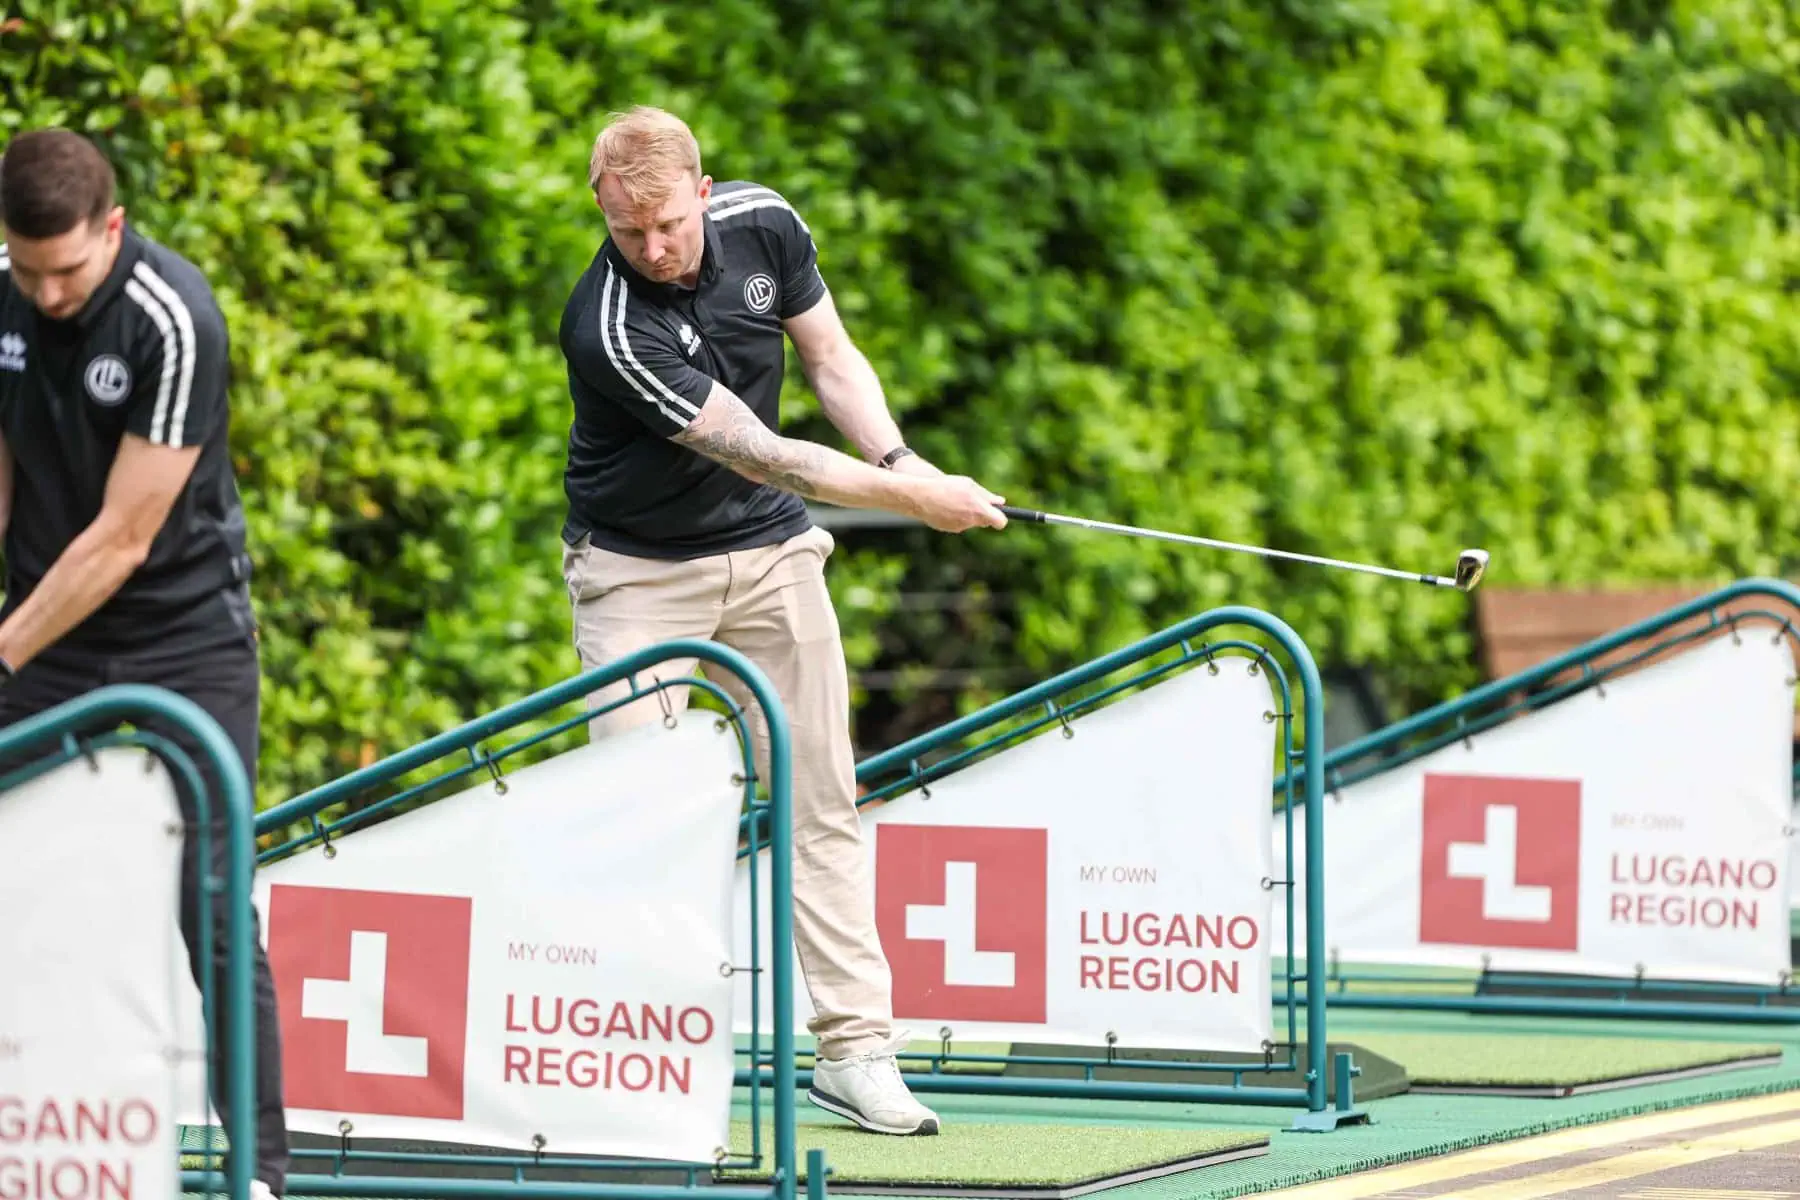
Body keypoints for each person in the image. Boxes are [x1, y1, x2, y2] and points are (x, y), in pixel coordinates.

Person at [559, 105, 1007, 1137]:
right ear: (602, 209)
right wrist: (917, 502)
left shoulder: (767, 224)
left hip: (770, 556)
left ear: (703, 193)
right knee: (639, 818)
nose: (656, 249)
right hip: (636, 577)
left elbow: (832, 358)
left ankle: (856, 1053)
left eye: (669, 224)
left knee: (823, 802)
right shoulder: (609, 326)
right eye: (630, 232)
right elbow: (768, 451)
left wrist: (902, 460)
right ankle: (648, 1066)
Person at [0, 129, 289, 1197]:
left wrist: (2, 647)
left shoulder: (176, 316)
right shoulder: (7, 297)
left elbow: (123, 538)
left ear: (112, 229)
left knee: (211, 899)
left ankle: (258, 1173)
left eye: (67, 269)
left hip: (182, 635)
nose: (47, 291)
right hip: (42, 621)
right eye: (27, 270)